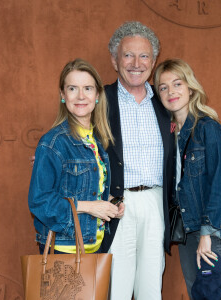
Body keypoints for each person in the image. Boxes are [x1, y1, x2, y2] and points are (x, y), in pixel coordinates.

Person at [100, 22, 174, 300]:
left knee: (151, 288)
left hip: (157, 202)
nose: (135, 63)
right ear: (114, 60)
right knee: (116, 289)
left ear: (153, 62)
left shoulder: (166, 100)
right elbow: (73, 128)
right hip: (117, 205)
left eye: (144, 56)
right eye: (127, 55)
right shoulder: (100, 99)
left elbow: (191, 135)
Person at [153, 58, 221, 300]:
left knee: (212, 295)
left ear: (190, 87)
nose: (171, 91)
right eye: (163, 87)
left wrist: (207, 235)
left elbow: (219, 185)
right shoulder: (167, 134)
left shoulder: (209, 128)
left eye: (177, 83)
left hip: (211, 226)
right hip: (187, 229)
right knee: (197, 294)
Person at [28, 58, 124, 255]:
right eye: (73, 88)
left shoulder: (96, 140)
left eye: (88, 88)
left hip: (96, 246)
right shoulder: (54, 142)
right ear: (63, 95)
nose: (81, 96)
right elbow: (39, 202)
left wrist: (108, 202)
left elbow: (82, 188)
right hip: (65, 248)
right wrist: (90, 207)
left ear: (97, 95)